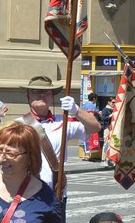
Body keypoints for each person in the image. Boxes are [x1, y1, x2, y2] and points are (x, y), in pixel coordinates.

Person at [16, 76, 100, 208]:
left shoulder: (64, 121)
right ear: (28, 96)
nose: (41, 95)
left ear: (52, 97)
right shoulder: (17, 125)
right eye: (35, 92)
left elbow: (95, 127)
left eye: (46, 92)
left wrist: (76, 110)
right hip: (25, 193)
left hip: (55, 192)